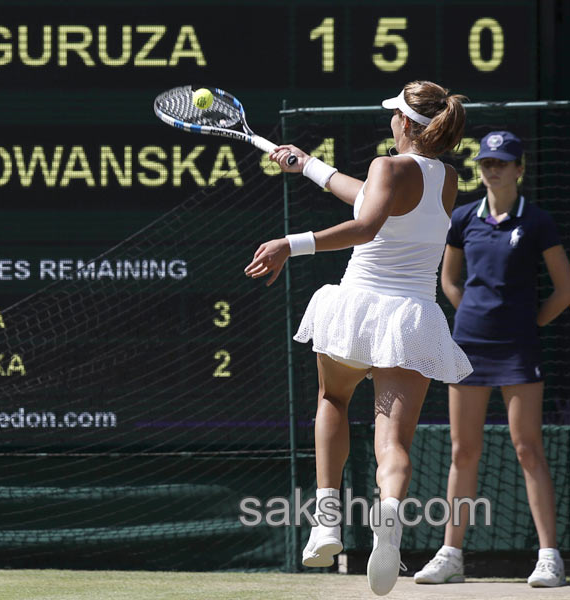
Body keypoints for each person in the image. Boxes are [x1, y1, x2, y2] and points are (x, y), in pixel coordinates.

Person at [244, 80, 472, 596]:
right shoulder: (447, 179)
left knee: (333, 398)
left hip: (359, 309)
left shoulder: (386, 166)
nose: (389, 121)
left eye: (394, 114)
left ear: (406, 125)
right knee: (392, 441)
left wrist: (290, 243)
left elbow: (367, 223)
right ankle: (387, 513)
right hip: (411, 318)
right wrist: (308, 166)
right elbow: (372, 199)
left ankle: (326, 522)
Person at [413, 131, 570, 588]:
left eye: (502, 162)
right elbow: (450, 281)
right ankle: (451, 554)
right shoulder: (462, 219)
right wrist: (476, 321)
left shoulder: (537, 221)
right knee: (463, 451)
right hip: (468, 349)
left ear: (520, 168)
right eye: (486, 162)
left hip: (519, 351)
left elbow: (565, 289)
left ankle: (548, 558)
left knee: (528, 449)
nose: (493, 169)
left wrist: (528, 325)